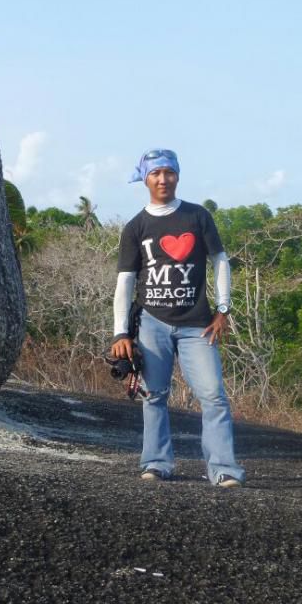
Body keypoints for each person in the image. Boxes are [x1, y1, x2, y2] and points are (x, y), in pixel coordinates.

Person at [110, 148, 246, 488]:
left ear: (177, 175)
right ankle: (156, 463)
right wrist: (120, 333)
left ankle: (223, 469)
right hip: (151, 323)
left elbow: (221, 261)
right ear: (145, 178)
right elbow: (125, 282)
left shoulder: (197, 217)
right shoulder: (136, 227)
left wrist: (224, 308)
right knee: (153, 395)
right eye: (155, 173)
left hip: (197, 324)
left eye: (168, 172)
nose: (163, 179)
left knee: (213, 395)